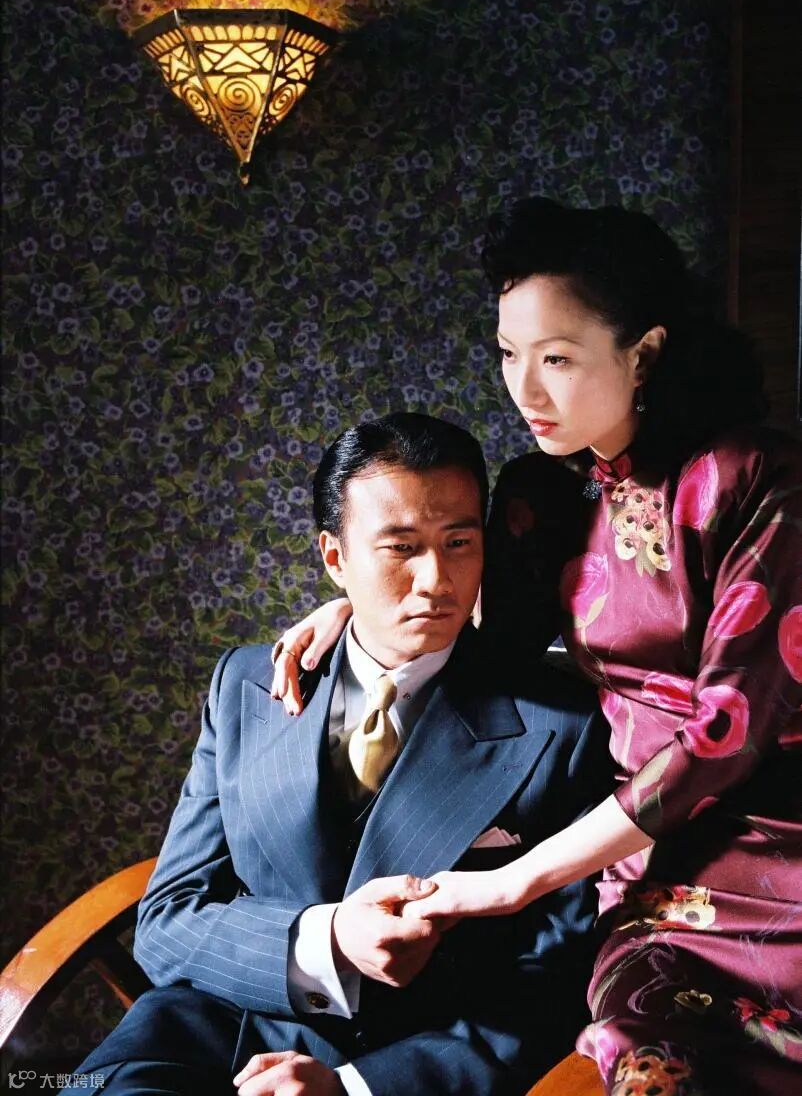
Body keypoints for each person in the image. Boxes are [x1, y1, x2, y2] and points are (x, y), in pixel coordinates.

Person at [272, 201, 802, 1096]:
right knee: (652, 1064)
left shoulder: (754, 480)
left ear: (644, 354)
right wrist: (355, 613)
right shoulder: (543, 497)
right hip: (652, 880)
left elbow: (728, 731)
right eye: (508, 354)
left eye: (556, 358)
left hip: (780, 841)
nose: (525, 389)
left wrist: (515, 882)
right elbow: (489, 659)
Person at [67, 411, 611, 1096]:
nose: (436, 579)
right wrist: (327, 942)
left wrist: (356, 1086)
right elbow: (167, 920)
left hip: (408, 1057)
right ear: (334, 558)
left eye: (459, 542)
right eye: (400, 547)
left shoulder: (561, 725)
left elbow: (555, 980)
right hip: (213, 1030)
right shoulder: (245, 685)